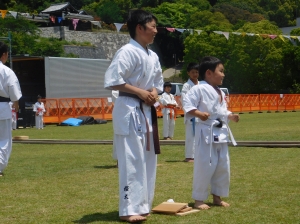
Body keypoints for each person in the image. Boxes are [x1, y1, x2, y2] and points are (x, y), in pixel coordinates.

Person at [104, 10, 163, 223]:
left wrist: (154, 93)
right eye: (153, 26)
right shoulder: (127, 51)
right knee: (131, 159)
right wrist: (139, 92)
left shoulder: (152, 55)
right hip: (129, 107)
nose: (156, 31)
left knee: (148, 159)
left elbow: (158, 82)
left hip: (146, 110)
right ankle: (129, 208)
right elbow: (112, 79)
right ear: (140, 28)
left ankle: (143, 204)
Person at [183, 56, 240, 210]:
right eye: (220, 71)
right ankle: (199, 199)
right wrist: (199, 113)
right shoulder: (198, 88)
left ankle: (217, 196)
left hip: (220, 132)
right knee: (204, 165)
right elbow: (187, 104)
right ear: (209, 73)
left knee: (222, 165)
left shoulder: (220, 91)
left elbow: (221, 111)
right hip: (205, 132)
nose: (223, 74)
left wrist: (230, 115)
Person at [0, 42, 22, 176]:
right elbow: (14, 91)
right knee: (3, 139)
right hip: (2, 108)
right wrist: (16, 106)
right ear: (4, 55)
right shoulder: (6, 71)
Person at [181, 62, 200, 162]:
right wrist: (191, 110)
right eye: (193, 72)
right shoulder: (186, 86)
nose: (195, 74)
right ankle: (189, 156)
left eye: (196, 72)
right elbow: (184, 100)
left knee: (200, 136)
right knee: (190, 137)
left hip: (200, 115)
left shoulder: (202, 85)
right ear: (188, 73)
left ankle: (198, 155)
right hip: (191, 115)